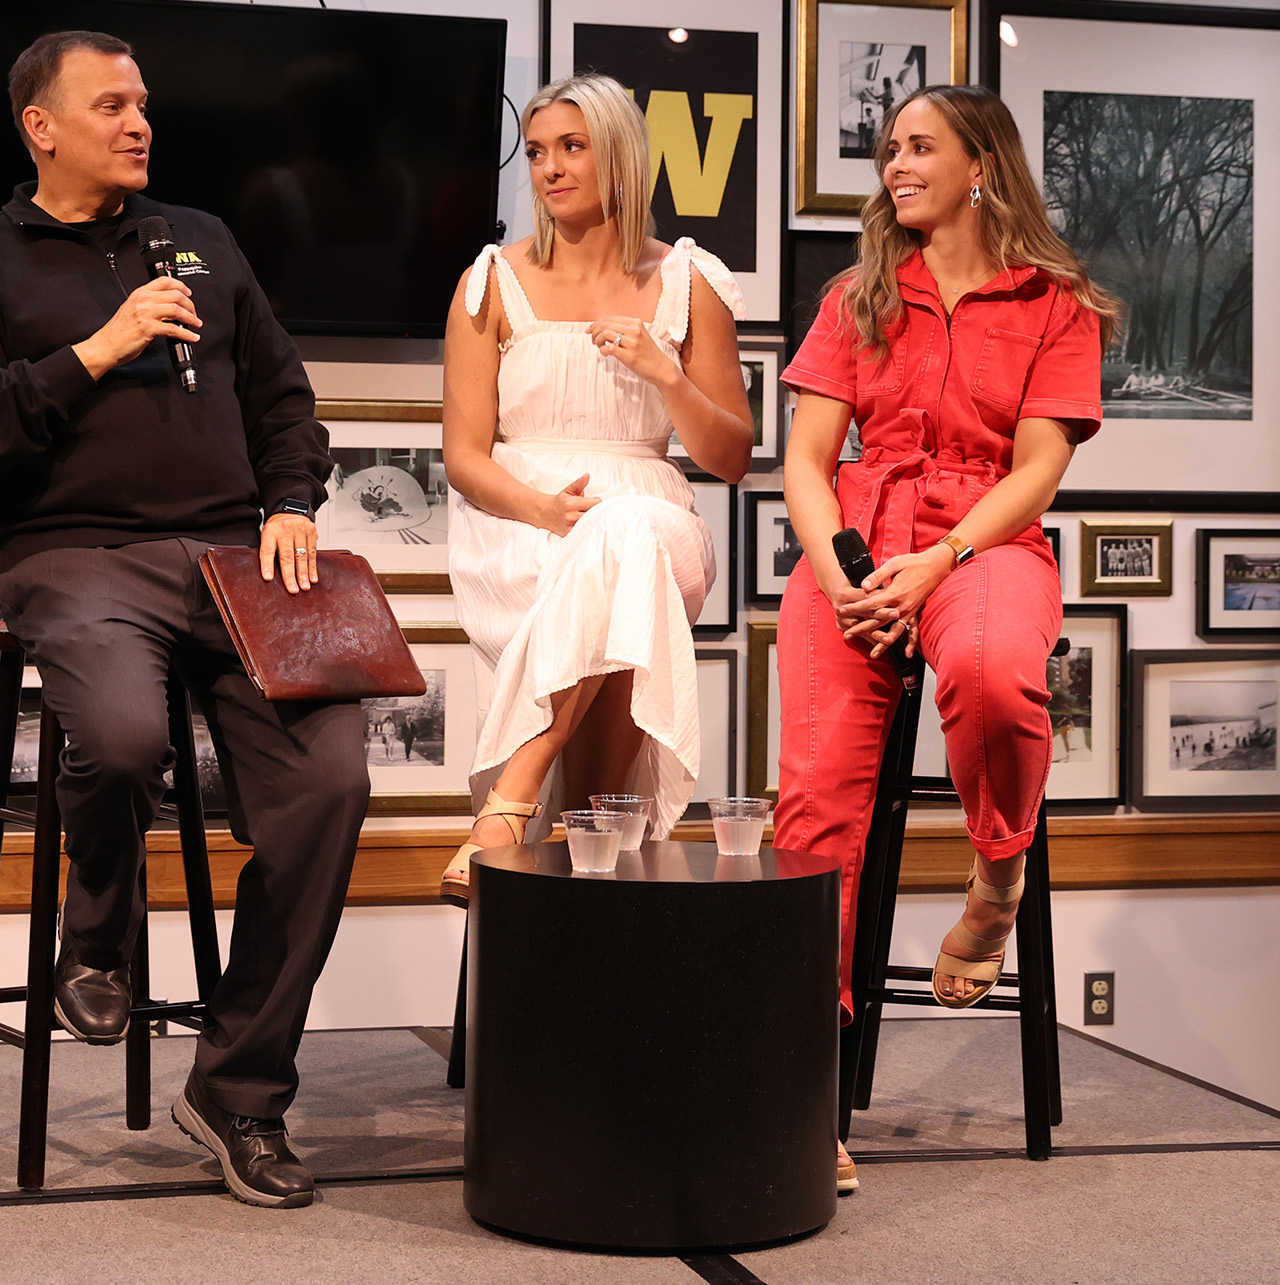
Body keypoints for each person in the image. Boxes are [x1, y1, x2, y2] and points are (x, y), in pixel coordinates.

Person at [0, 30, 369, 1211]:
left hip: (232, 556)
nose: (138, 121)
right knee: (118, 739)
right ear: (40, 126)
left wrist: (289, 500)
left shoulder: (201, 242)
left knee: (329, 785)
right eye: (109, 104)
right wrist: (93, 352)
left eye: (143, 103)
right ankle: (98, 937)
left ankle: (237, 1092)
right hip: (77, 554)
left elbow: (281, 395)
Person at [773, 84, 1117, 1194]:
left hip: (984, 539)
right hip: (856, 551)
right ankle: (803, 1100)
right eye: (886, 148)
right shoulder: (856, 296)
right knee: (814, 801)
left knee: (991, 672)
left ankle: (994, 876)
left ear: (982, 164)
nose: (893, 165)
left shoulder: (1055, 303)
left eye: (918, 146)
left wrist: (941, 558)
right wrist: (841, 579)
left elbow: (1037, 470)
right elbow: (806, 465)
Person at [440, 73, 752, 901]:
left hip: (654, 523)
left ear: (621, 155)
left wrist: (665, 373)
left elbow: (732, 456)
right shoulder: (489, 281)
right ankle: (575, 987)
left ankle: (514, 789)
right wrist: (544, 509)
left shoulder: (691, 282)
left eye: (571, 147)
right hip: (521, 527)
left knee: (627, 530)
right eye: (538, 152)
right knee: (595, 806)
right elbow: (466, 456)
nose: (549, 168)